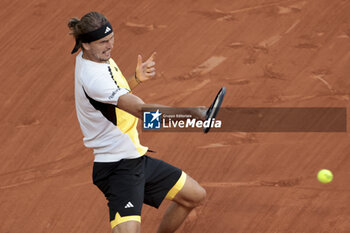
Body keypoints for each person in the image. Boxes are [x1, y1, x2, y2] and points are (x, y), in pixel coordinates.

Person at [68, 11, 206, 233]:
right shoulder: (93, 78)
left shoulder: (96, 58)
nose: (110, 45)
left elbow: (110, 101)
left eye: (111, 38)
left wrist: (134, 80)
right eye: (103, 41)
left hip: (135, 157)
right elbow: (141, 111)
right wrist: (188, 113)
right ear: (85, 44)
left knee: (194, 196)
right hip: (117, 167)